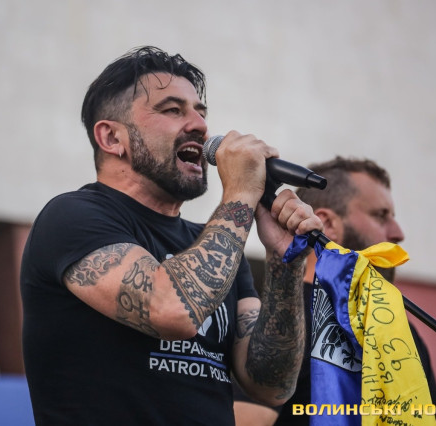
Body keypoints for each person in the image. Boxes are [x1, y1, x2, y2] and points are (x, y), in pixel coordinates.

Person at [20, 46, 324, 425]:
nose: (199, 126)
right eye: (172, 110)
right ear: (112, 138)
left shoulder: (218, 249)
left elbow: (271, 385)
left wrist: (284, 263)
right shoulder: (72, 217)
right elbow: (171, 310)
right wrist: (241, 192)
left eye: (201, 112)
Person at [233, 156, 436, 426]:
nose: (398, 233)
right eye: (381, 215)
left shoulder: (399, 328)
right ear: (328, 225)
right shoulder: (283, 317)